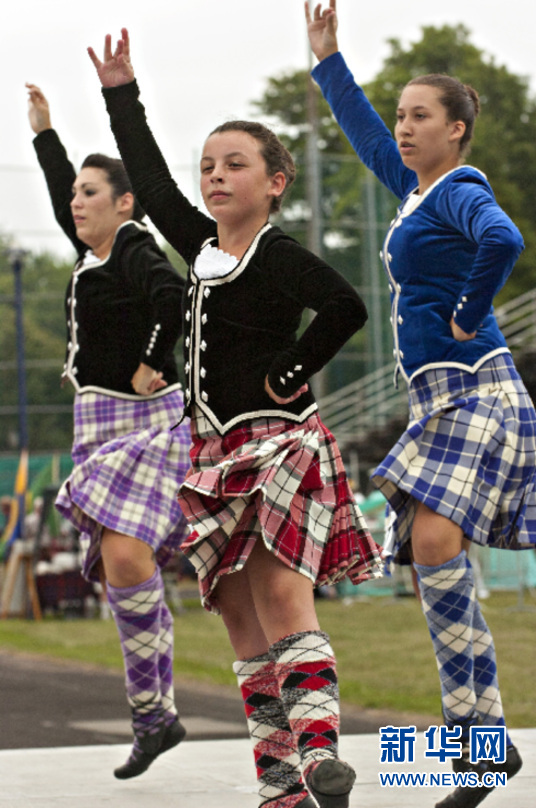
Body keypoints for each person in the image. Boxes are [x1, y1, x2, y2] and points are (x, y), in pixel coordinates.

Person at [87, 28, 383, 808]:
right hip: (213, 456)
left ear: (277, 181)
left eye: (236, 164)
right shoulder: (201, 247)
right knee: (240, 621)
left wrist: (291, 370)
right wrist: (123, 95)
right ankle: (280, 785)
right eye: (209, 167)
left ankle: (321, 756)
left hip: (278, 448)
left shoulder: (277, 253)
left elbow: (346, 305)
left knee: (284, 599)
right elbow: (150, 188)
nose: (216, 177)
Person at [305, 3, 536, 807]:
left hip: (477, 388)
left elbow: (502, 240)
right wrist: (328, 62)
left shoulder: (461, 188)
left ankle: (477, 743)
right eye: (403, 114)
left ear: (457, 130)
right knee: (433, 559)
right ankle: (483, 739)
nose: (403, 128)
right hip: (439, 398)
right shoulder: (416, 189)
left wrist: (470, 313)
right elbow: (367, 137)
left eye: (421, 116)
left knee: (434, 540)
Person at [26, 84, 192, 779]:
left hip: (147, 420)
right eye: (76, 195)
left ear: (124, 203)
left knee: (128, 559)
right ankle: (155, 716)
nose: (76, 201)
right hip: (98, 422)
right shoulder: (96, 251)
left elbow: (173, 297)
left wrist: (154, 359)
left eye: (91, 192)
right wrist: (46, 136)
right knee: (122, 566)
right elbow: (66, 189)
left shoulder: (132, 245)